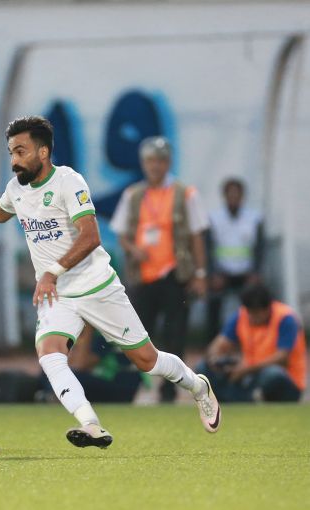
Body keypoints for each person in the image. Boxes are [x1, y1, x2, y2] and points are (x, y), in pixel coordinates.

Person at [0, 116, 220, 449]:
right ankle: (90, 424)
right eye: (11, 152)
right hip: (57, 295)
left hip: (96, 286)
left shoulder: (68, 181)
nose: (14, 160)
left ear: (43, 152)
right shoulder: (16, 189)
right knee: (50, 355)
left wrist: (51, 271)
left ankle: (197, 386)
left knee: (147, 360)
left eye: (21, 151)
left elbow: (91, 236)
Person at [109, 136, 209, 402]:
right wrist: (133, 249)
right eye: (150, 161)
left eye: (160, 161)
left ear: (169, 162)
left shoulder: (185, 193)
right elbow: (121, 234)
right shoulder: (133, 195)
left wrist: (200, 274)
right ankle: (130, 388)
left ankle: (168, 391)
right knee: (136, 335)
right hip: (142, 276)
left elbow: (197, 235)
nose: (155, 166)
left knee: (175, 334)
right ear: (143, 163)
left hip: (175, 275)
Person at [197, 282, 306, 402]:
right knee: (202, 368)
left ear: (268, 308)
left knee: (272, 374)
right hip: (249, 375)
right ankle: (233, 400)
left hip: (286, 380)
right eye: (249, 312)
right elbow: (218, 344)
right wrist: (216, 361)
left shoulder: (285, 318)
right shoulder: (242, 315)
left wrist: (246, 370)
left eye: (256, 313)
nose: (251, 317)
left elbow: (282, 358)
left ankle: (244, 398)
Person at [206, 178, 264, 340]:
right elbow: (208, 249)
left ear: (242, 196)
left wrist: (255, 273)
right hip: (222, 273)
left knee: (255, 302)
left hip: (246, 273)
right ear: (224, 196)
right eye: (230, 194)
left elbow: (260, 248)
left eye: (237, 194)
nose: (233, 197)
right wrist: (213, 274)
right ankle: (213, 341)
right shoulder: (214, 219)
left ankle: (251, 340)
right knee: (213, 301)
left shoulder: (254, 218)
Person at [38, 325, 146, 403]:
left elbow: (80, 365)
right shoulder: (79, 333)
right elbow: (67, 362)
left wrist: (88, 328)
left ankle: (52, 396)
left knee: (75, 377)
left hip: (121, 384)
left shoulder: (105, 333)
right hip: (98, 379)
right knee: (48, 370)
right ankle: (51, 395)